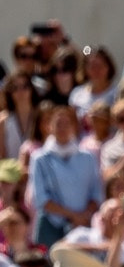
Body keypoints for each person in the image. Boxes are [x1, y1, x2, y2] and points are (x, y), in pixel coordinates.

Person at [28, 104, 102, 245]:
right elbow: (40, 198)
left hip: (83, 227)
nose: (62, 128)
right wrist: (73, 216)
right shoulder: (39, 158)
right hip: (51, 228)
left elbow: (96, 193)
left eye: (67, 123)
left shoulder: (88, 158)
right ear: (50, 127)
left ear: (74, 127)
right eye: (58, 123)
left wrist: (83, 217)